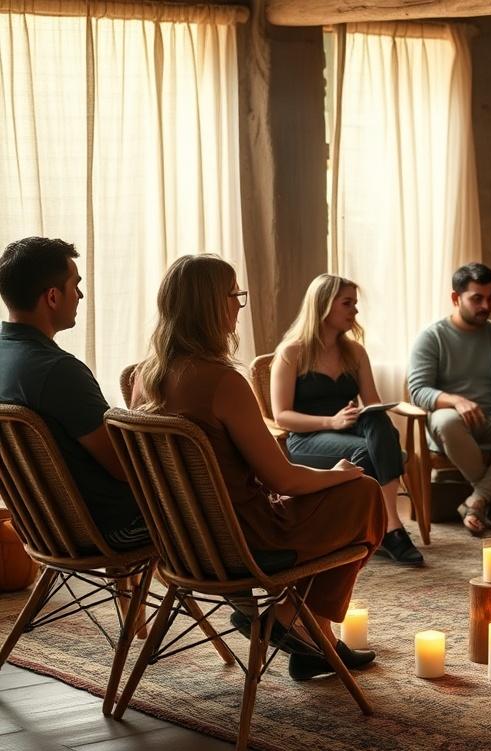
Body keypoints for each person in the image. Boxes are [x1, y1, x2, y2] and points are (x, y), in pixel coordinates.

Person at [132, 254, 385, 681]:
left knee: (340, 495)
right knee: (363, 493)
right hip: (244, 541)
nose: (238, 304)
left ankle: (312, 639)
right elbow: (282, 477)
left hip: (182, 540)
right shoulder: (223, 382)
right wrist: (337, 475)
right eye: (235, 295)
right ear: (212, 306)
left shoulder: (146, 377)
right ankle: (294, 620)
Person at [0, 237, 148, 549]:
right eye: (75, 285)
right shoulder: (59, 371)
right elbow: (125, 468)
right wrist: (140, 408)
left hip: (40, 529)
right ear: (53, 297)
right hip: (108, 530)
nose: (80, 295)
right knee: (219, 508)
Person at [270, 274, 423, 566]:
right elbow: (282, 416)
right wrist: (331, 422)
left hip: (352, 431)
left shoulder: (355, 352)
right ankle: (389, 529)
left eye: (355, 303)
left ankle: (385, 525)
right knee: (367, 450)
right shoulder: (292, 353)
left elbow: (373, 402)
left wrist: (366, 419)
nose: (355, 310)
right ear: (324, 305)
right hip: (307, 439)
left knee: (378, 421)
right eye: (347, 303)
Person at [407, 262, 491, 535]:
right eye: (477, 298)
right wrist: (455, 401)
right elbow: (418, 391)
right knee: (446, 421)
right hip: (452, 424)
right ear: (456, 298)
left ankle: (478, 499)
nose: (486, 305)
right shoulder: (432, 338)